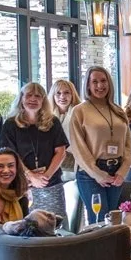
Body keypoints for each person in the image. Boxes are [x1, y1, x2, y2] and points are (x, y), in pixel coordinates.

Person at [66, 66, 131, 226]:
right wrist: (97, 174)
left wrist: (122, 172)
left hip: (116, 171)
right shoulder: (79, 111)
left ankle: (113, 252)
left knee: (114, 218)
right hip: (90, 173)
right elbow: (78, 147)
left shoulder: (118, 111)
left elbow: (128, 144)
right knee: (100, 218)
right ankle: (99, 252)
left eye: (103, 81)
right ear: (87, 85)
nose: (100, 86)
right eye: (94, 82)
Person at [0, 82, 68, 219]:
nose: (33, 99)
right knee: (24, 227)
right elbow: (10, 155)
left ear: (43, 101)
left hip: (50, 184)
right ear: (21, 99)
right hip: (21, 185)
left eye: (38, 96)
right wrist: (30, 175)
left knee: (54, 225)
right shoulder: (10, 125)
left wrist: (45, 177)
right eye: (29, 95)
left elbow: (61, 152)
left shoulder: (53, 122)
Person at [49, 77, 83, 231]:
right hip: (53, 169)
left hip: (75, 167)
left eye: (66, 93)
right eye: (58, 93)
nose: (62, 97)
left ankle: (74, 234)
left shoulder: (80, 113)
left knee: (74, 205)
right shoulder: (47, 117)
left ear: (72, 95)